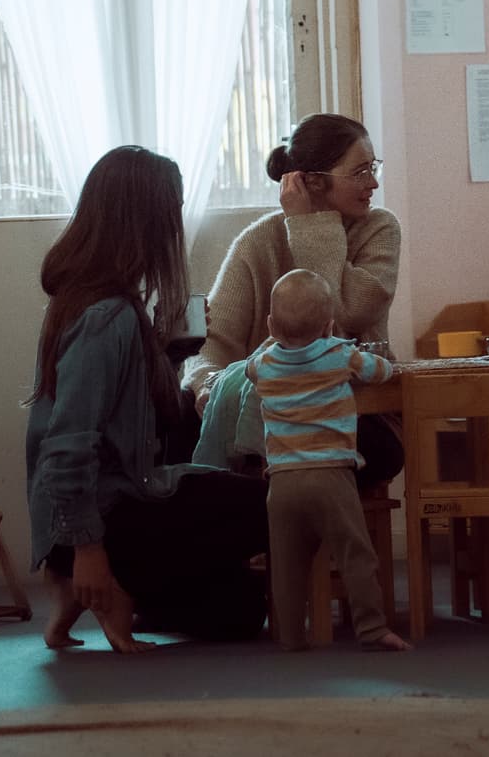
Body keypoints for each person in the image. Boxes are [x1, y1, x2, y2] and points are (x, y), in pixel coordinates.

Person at [24, 146, 271, 654]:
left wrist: (165, 352)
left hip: (99, 513)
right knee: (275, 504)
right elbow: (67, 445)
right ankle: (96, 581)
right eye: (172, 211)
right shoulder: (106, 317)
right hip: (101, 520)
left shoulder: (92, 301)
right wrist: (87, 550)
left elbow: (134, 418)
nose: (175, 226)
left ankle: (93, 589)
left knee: (239, 612)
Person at [183, 113, 404, 489]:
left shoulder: (380, 228)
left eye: (373, 167)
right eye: (360, 172)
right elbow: (212, 341)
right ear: (313, 181)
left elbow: (348, 313)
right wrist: (206, 383)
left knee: (367, 451)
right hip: (272, 413)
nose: (373, 182)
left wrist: (310, 226)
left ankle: (272, 501)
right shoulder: (259, 240)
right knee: (185, 419)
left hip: (355, 412)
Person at [249, 269, 410, 652]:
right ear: (328, 325)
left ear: (271, 325)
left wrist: (272, 340)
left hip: (282, 483)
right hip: (331, 477)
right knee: (356, 553)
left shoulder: (263, 365)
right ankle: (372, 628)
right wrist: (380, 362)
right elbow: (380, 371)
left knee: (287, 565)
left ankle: (291, 635)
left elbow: (250, 366)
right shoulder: (338, 354)